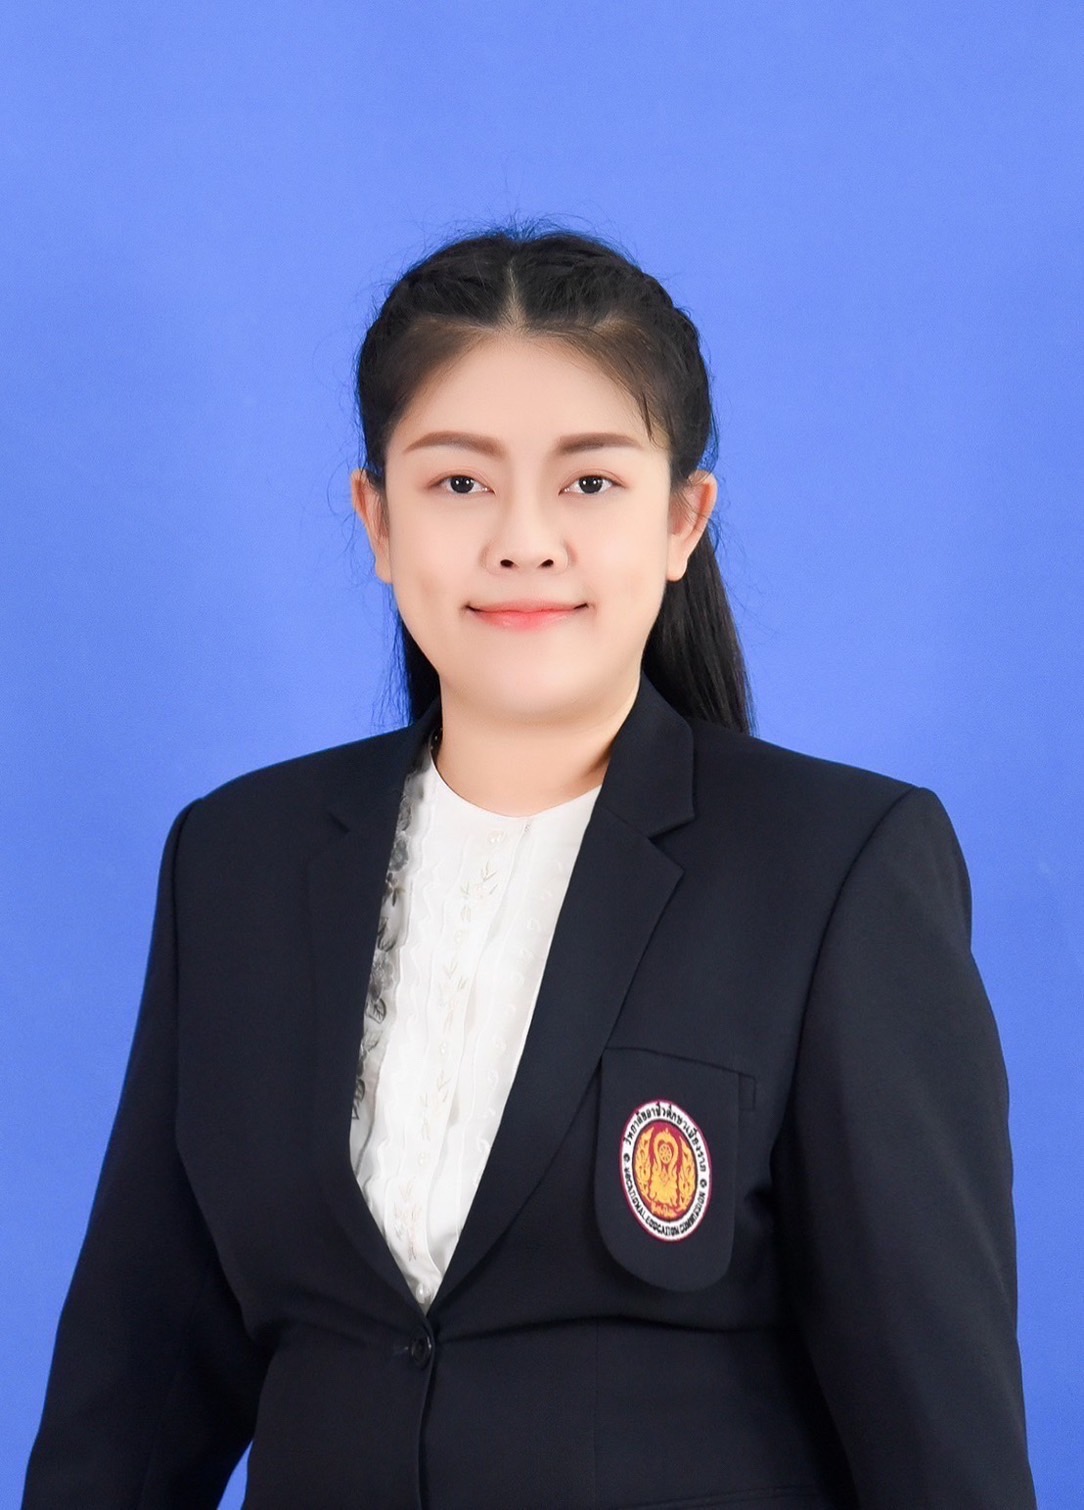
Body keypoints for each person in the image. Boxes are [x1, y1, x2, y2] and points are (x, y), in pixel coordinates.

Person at [22, 222, 1037, 1509]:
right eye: (458, 482)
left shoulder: (834, 870)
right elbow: (128, 1400)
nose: (523, 539)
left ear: (682, 520)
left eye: (590, 483)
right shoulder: (235, 863)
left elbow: (940, 1447)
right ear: (375, 518)